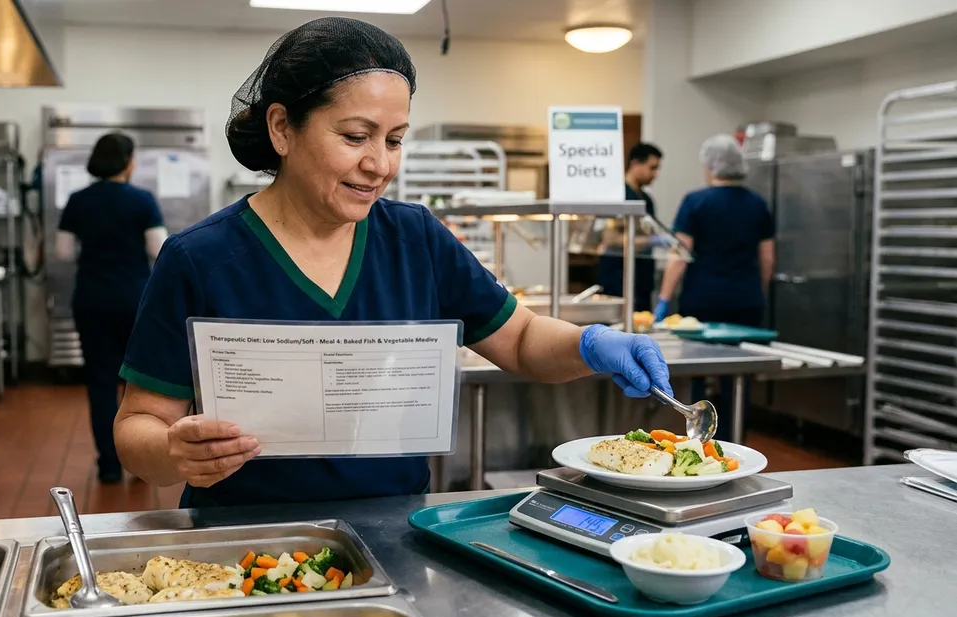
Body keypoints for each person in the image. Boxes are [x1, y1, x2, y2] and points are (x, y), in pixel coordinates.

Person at [112, 17, 674, 508]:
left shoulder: (416, 238)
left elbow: (521, 339)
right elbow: (138, 426)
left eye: (396, 139)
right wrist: (173, 452)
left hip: (394, 532)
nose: (380, 164)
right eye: (356, 136)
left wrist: (589, 345)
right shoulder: (201, 258)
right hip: (246, 540)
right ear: (282, 128)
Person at [56, 132, 168, 483]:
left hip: (91, 299)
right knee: (138, 382)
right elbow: (158, 249)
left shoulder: (78, 200)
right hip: (136, 301)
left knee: (100, 381)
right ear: (129, 162)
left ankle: (108, 466)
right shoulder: (142, 200)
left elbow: (62, 252)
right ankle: (138, 460)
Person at [654, 133, 775, 441]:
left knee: (698, 370)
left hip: (702, 302)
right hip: (746, 302)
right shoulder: (758, 203)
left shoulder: (696, 201)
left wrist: (664, 300)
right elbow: (767, 257)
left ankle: (698, 438)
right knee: (740, 377)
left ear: (710, 167)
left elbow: (679, 255)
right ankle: (737, 440)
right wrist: (755, 291)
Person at [596, 143, 664, 307]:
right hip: (618, 278)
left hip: (641, 279)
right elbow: (611, 239)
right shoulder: (615, 195)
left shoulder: (646, 199)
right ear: (635, 164)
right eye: (652, 167)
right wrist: (651, 241)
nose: (655, 174)